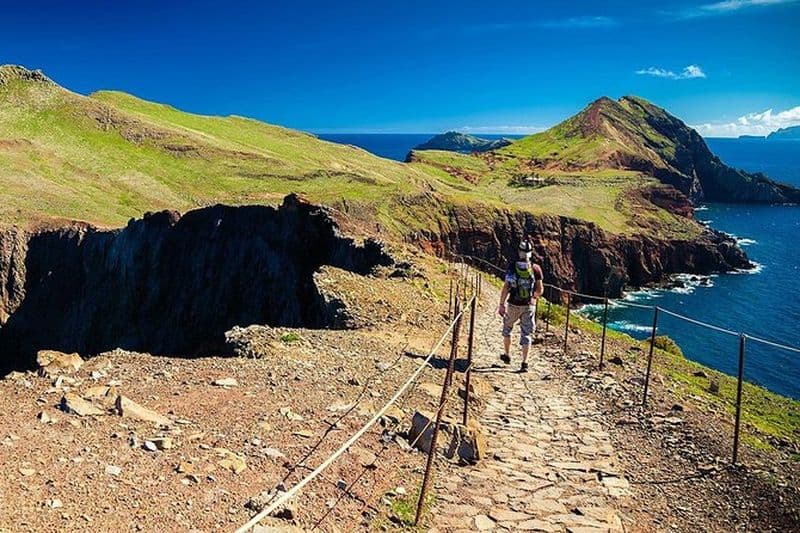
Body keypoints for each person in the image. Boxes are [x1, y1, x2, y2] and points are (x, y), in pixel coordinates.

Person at [497, 238, 544, 372]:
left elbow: (506, 287)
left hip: (513, 304)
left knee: (507, 329)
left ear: (519, 252)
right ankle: (524, 363)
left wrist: (501, 304)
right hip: (529, 306)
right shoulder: (535, 268)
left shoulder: (512, 267)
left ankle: (506, 355)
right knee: (526, 334)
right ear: (531, 252)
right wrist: (532, 298)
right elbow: (540, 290)